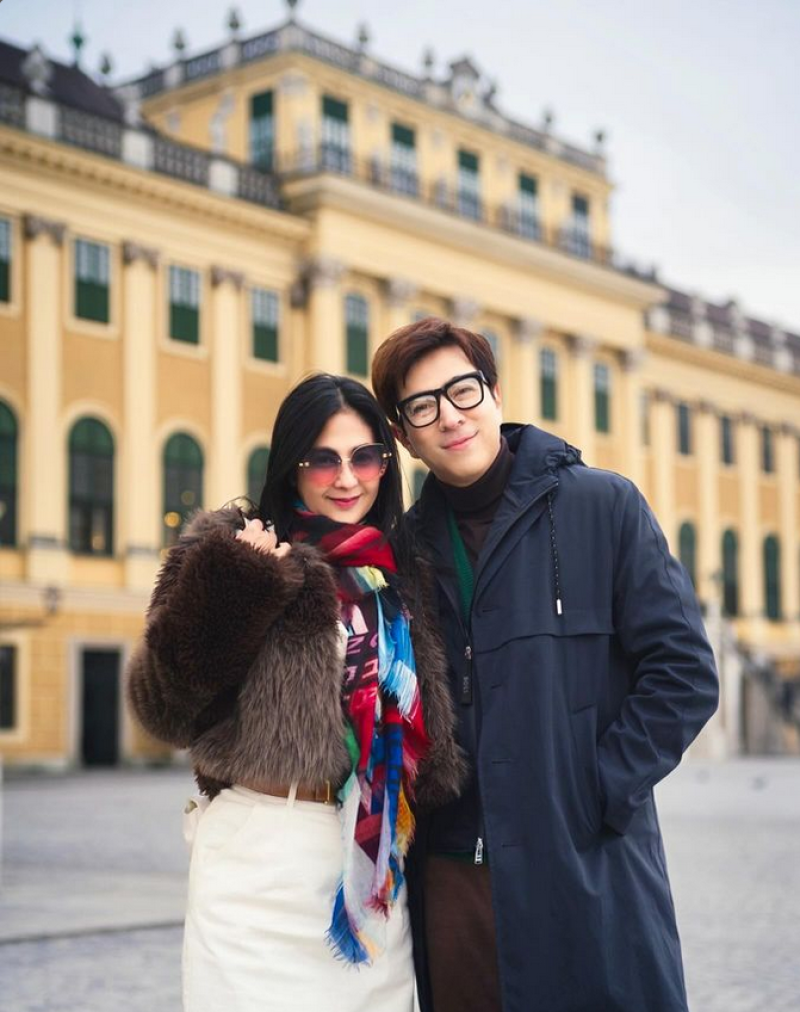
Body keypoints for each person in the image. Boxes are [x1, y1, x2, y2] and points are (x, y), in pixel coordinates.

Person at [371, 317, 719, 1012]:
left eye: (463, 390)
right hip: (454, 882)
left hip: (584, 865)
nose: (451, 417)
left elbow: (683, 672)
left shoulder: (603, 505)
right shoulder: (401, 552)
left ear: (495, 393)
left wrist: (598, 788)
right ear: (404, 436)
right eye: (423, 406)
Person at [126, 373, 465, 1012]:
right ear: (291, 466)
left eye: (365, 457)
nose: (347, 478)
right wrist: (240, 581)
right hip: (259, 867)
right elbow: (161, 707)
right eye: (324, 459)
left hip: (371, 870)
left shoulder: (400, 576)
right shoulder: (236, 547)